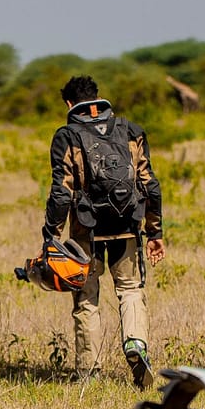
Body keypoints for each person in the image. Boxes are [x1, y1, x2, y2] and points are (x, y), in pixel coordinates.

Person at [43, 74, 165, 387]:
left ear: (69, 103)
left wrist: (51, 236)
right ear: (97, 96)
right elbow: (150, 184)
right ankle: (136, 344)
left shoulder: (67, 136)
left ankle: (89, 372)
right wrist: (155, 232)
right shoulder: (130, 130)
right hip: (128, 226)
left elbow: (61, 192)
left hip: (87, 230)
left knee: (86, 298)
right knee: (130, 289)